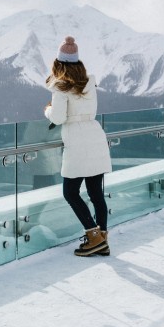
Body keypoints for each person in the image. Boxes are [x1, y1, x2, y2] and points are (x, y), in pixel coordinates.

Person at [44, 36, 112, 257]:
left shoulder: (60, 88)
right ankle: (102, 238)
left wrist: (47, 109)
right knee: (96, 193)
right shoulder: (89, 83)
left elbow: (59, 117)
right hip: (95, 135)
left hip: (77, 140)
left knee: (71, 192)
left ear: (59, 63)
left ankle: (93, 237)